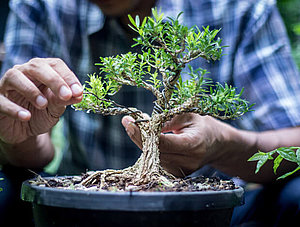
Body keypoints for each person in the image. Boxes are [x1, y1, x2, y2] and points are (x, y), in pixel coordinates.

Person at [0, 0, 300, 226]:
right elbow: (32, 152)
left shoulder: (240, 6)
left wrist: (225, 143)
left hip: (216, 209)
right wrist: (17, 135)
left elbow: (294, 138)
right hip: (83, 201)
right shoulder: (41, 5)